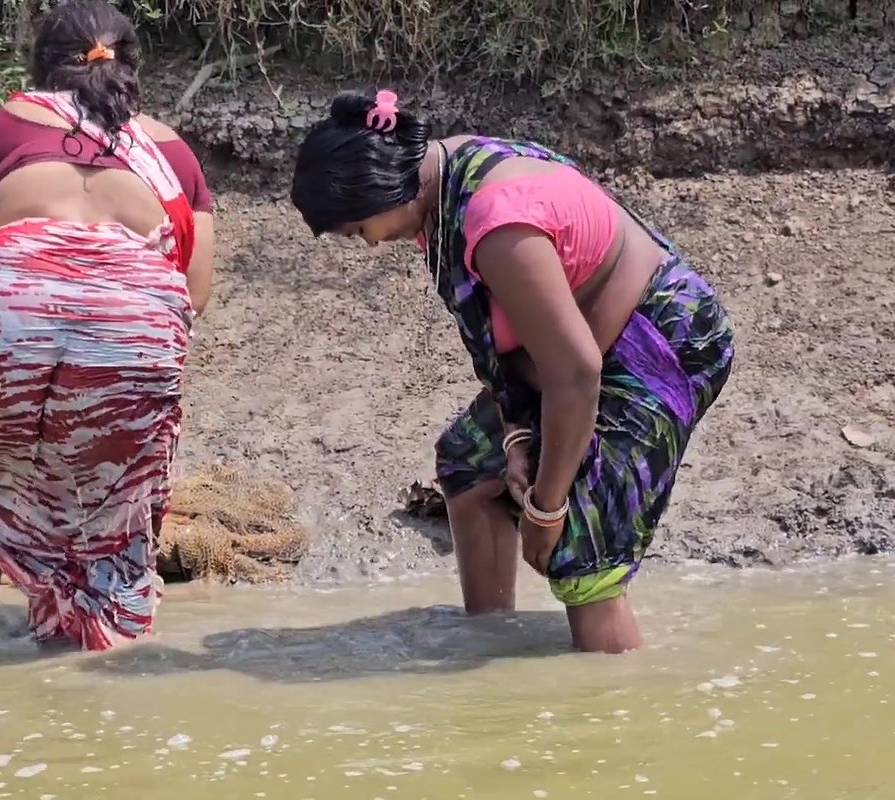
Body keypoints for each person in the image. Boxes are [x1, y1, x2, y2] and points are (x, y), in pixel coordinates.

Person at [289, 90, 734, 653]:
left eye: (358, 230)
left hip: (664, 344)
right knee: (470, 461)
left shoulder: (497, 222)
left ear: (384, 187)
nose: (371, 244)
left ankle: (614, 711)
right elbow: (521, 355)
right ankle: (491, 651)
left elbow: (576, 374)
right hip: (579, 352)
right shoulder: (443, 176)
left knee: (581, 548)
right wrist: (520, 436)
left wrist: (546, 509)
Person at [0, 0, 215, 649]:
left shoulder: (0, 129)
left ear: (40, 67)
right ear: (131, 67)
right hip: (132, 325)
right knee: (118, 505)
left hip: (1, 314)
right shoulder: (172, 151)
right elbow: (193, 291)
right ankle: (99, 666)